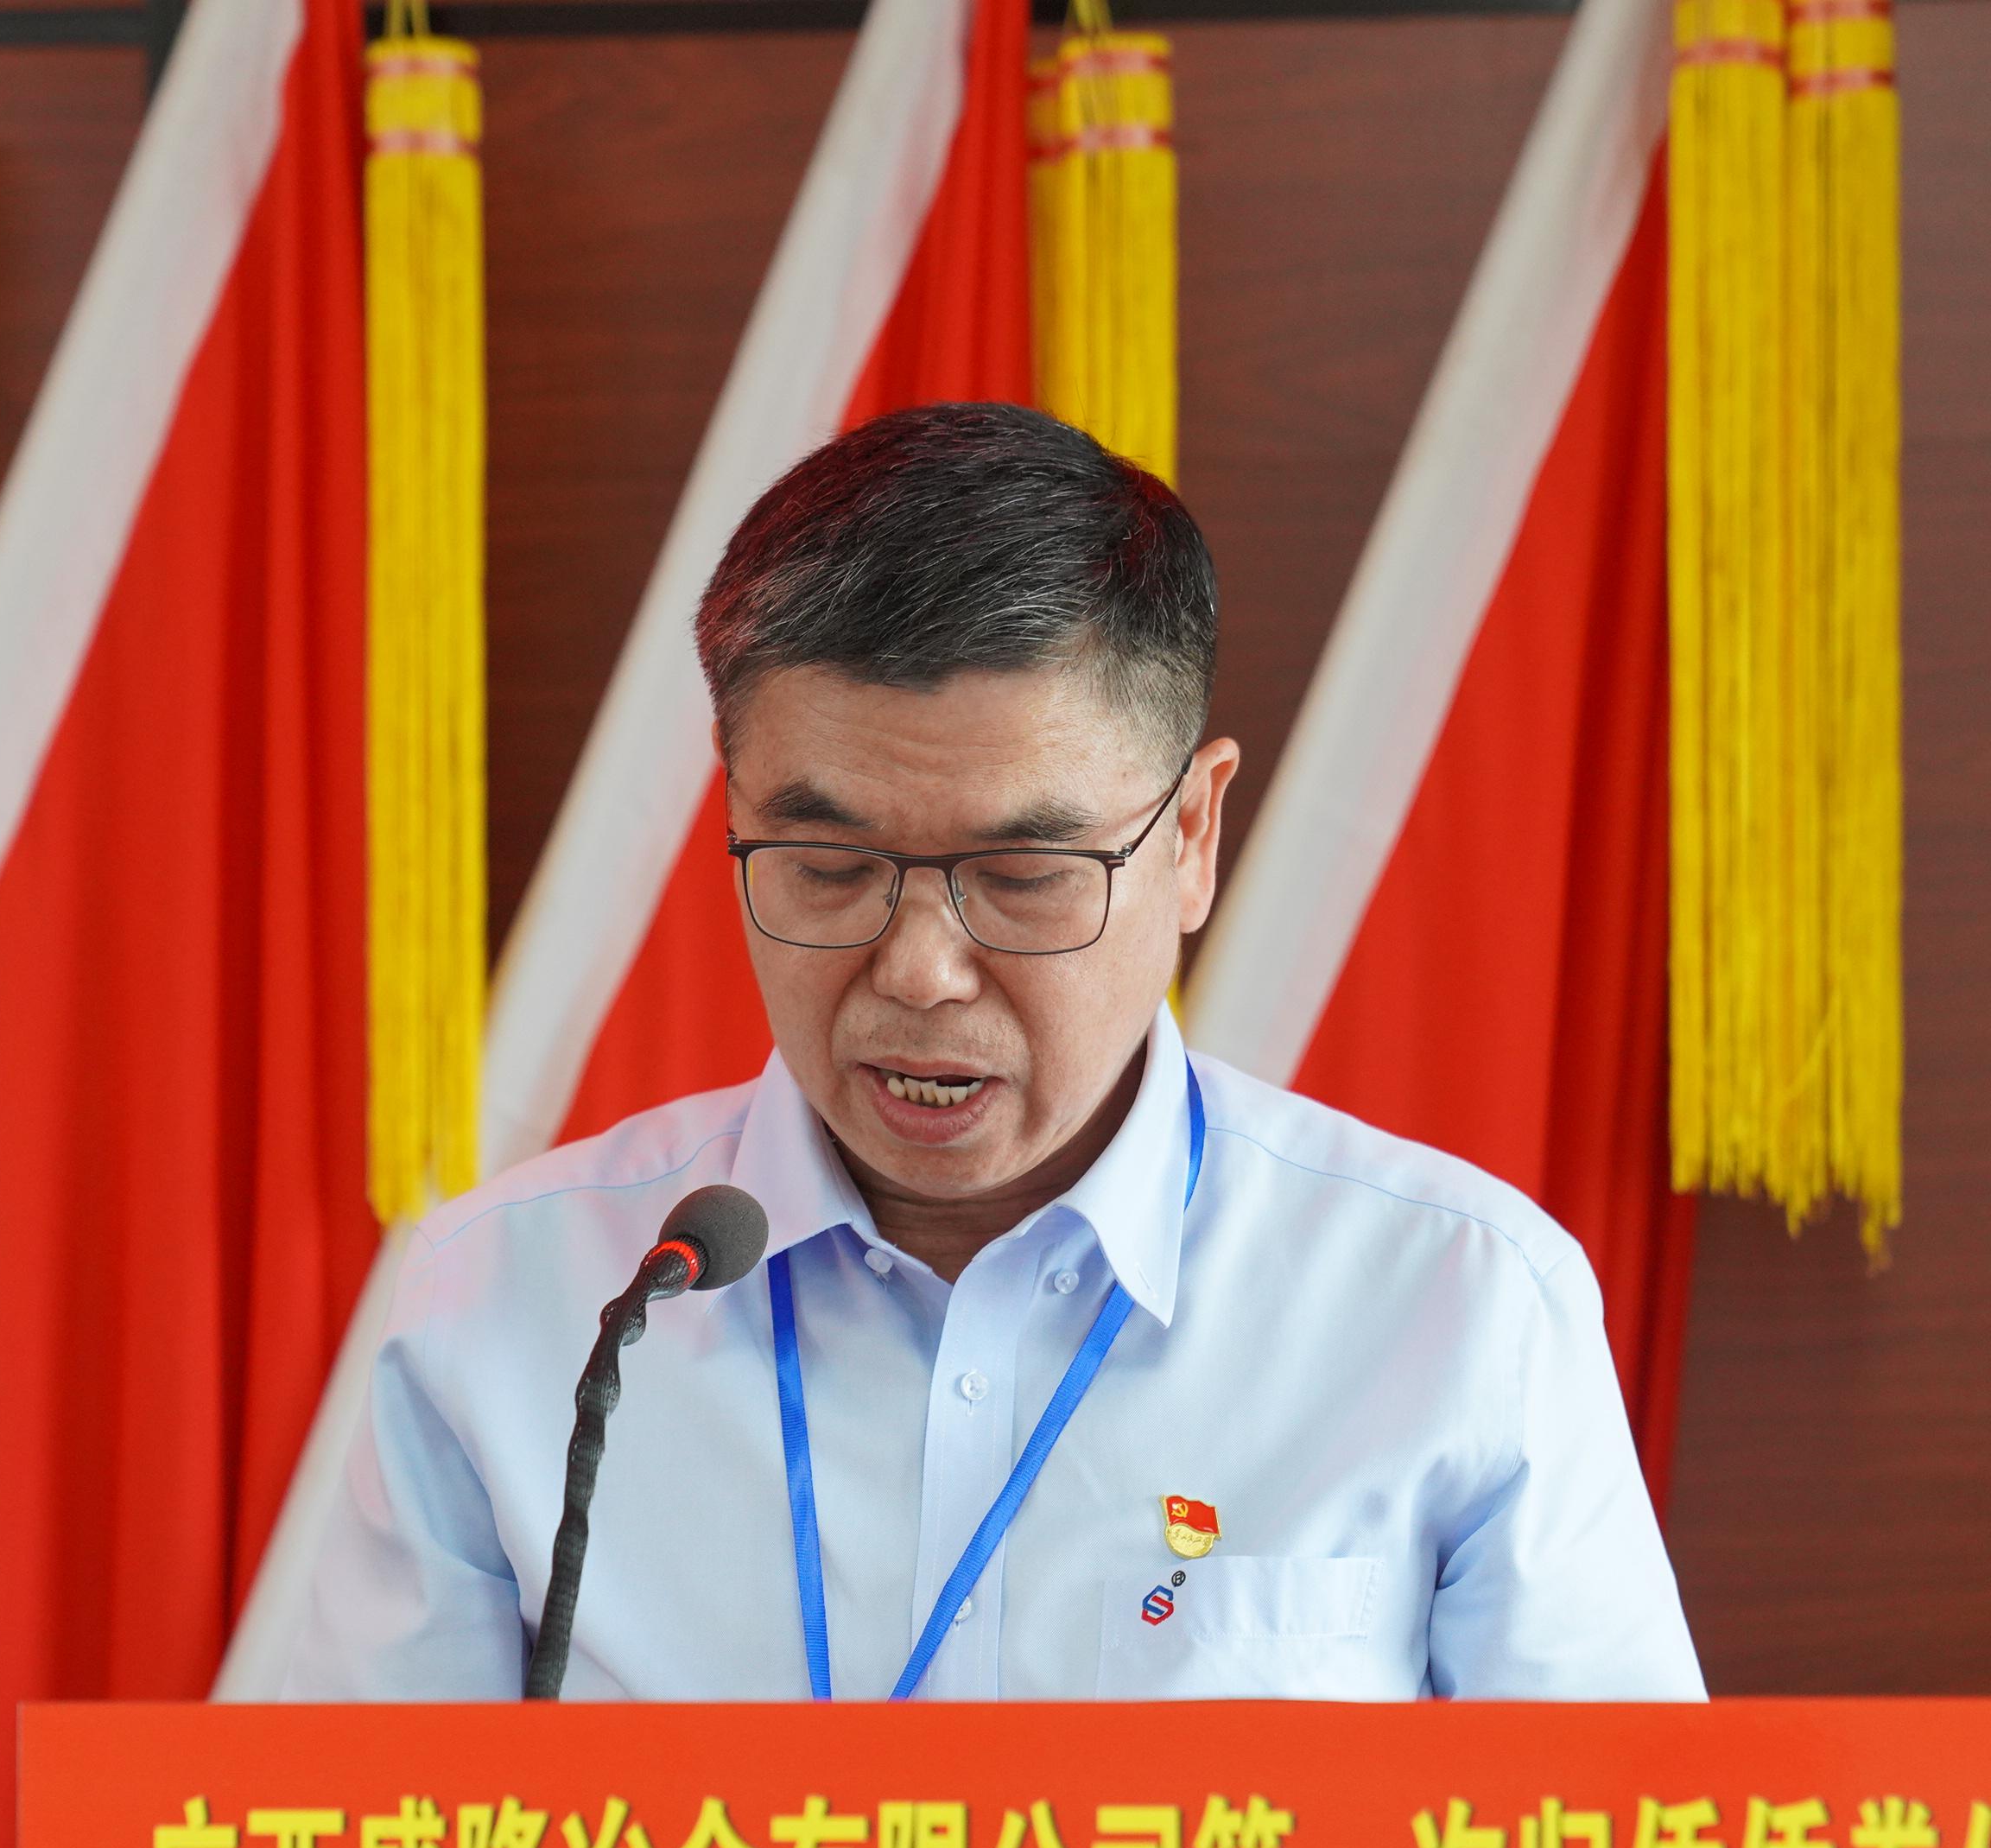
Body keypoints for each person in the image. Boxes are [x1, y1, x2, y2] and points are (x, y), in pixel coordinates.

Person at [284, 402, 1701, 1704]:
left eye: (1024, 876)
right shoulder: (518, 1310)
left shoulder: (1458, 1310)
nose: (919, 972)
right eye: (828, 866)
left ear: (1191, 838)